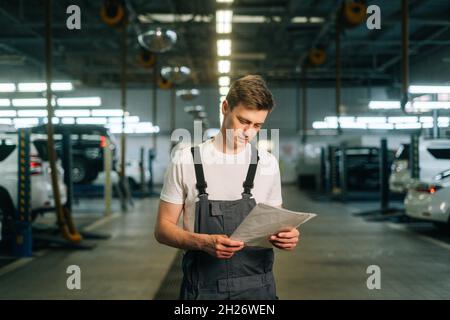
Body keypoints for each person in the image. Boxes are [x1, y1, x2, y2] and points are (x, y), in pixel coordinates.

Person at [155, 75, 300, 300]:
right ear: (225, 107)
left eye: (257, 125)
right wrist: (201, 242)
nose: (248, 132)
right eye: (243, 121)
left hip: (258, 291)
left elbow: (275, 224)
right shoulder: (186, 161)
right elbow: (163, 229)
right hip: (202, 291)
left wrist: (286, 236)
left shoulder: (268, 163)